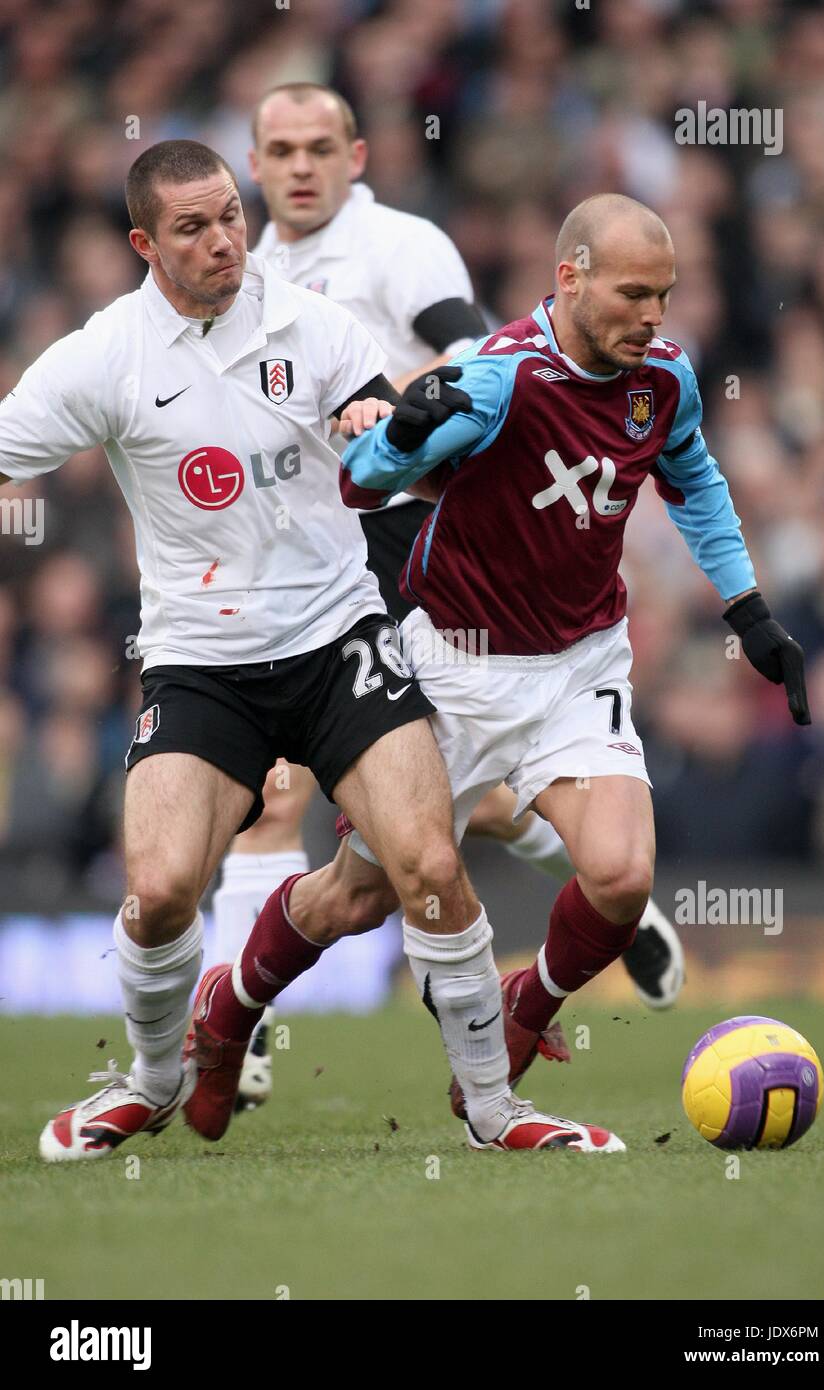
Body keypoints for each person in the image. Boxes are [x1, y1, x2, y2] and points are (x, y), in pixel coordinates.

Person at [0, 139, 605, 1160]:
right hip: (200, 661)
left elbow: (387, 434)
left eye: (230, 216)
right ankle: (152, 1080)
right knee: (153, 896)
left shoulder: (308, 322)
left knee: (427, 865)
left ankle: (495, 1108)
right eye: (192, 227)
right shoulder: (108, 356)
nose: (223, 240)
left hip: (339, 639)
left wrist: (384, 424)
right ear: (145, 243)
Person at [182, 193, 810, 1143]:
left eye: (665, 295)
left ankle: (523, 1013)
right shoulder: (498, 379)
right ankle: (228, 1013)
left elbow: (696, 484)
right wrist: (401, 427)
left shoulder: (667, 380)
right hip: (455, 670)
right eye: (633, 293)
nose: (653, 316)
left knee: (620, 877)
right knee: (355, 897)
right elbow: (361, 484)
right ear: (571, 277)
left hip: (579, 663)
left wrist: (748, 611)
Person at [218, 84, 684, 1112]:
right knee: (419, 801)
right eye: (280, 150)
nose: (300, 168)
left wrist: (400, 410)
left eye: (318, 148)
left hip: (389, 551)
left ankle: (239, 1030)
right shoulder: (244, 277)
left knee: (333, 799)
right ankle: (603, 889)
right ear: (252, 164)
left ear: (357, 154)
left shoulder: (400, 246)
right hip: (285, 553)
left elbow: (474, 353)